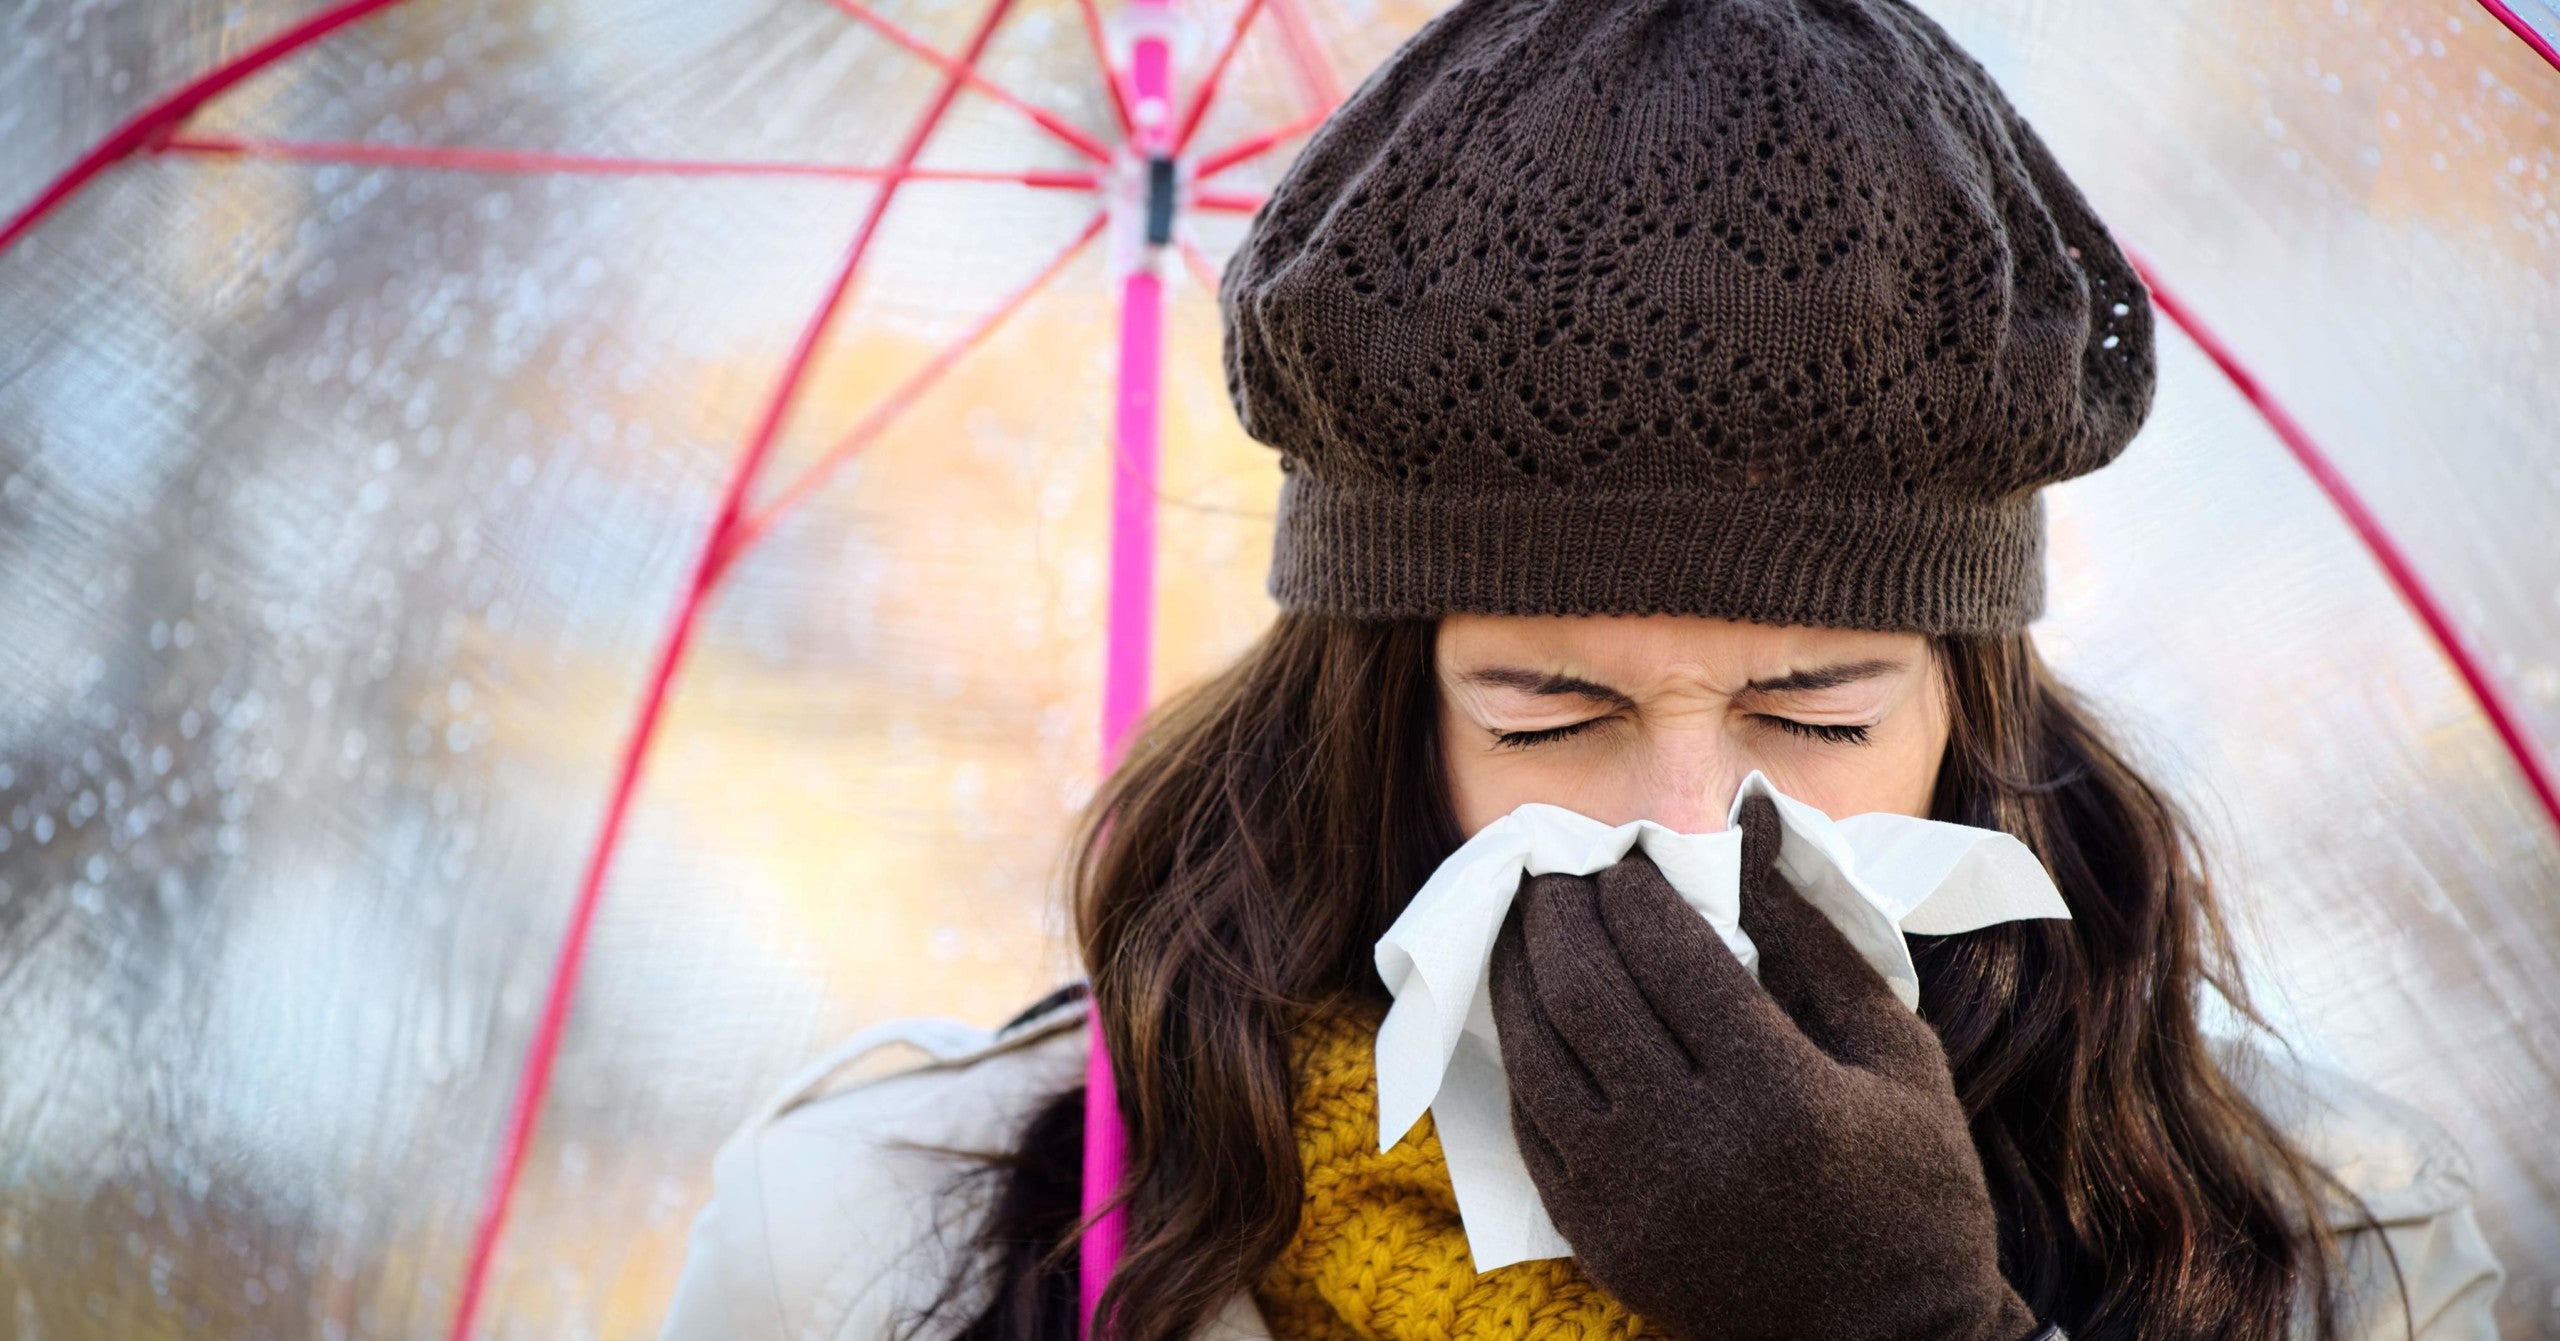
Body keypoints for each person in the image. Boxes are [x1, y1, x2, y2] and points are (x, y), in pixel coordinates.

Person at [656, 0, 2506, 1336]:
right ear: (1383, 719)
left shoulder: (2336, 1254)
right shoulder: (871, 1240)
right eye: (1551, 711)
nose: (1686, 831)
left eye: (1818, 714)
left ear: (1970, 706)